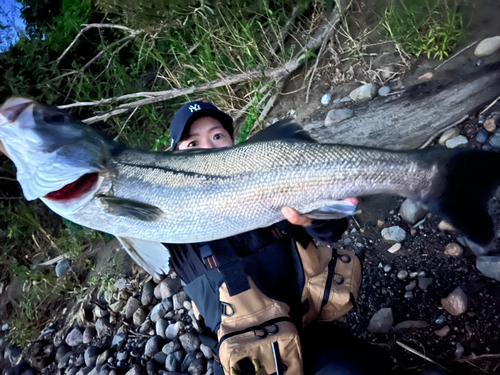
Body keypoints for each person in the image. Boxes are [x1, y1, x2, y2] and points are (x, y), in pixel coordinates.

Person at [163, 101, 392, 375]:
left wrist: (319, 217)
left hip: (307, 329)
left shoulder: (270, 182)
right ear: (174, 159)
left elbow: (332, 231)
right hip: (249, 359)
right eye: (192, 144)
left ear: (233, 144)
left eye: (217, 136)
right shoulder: (170, 222)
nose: (209, 148)